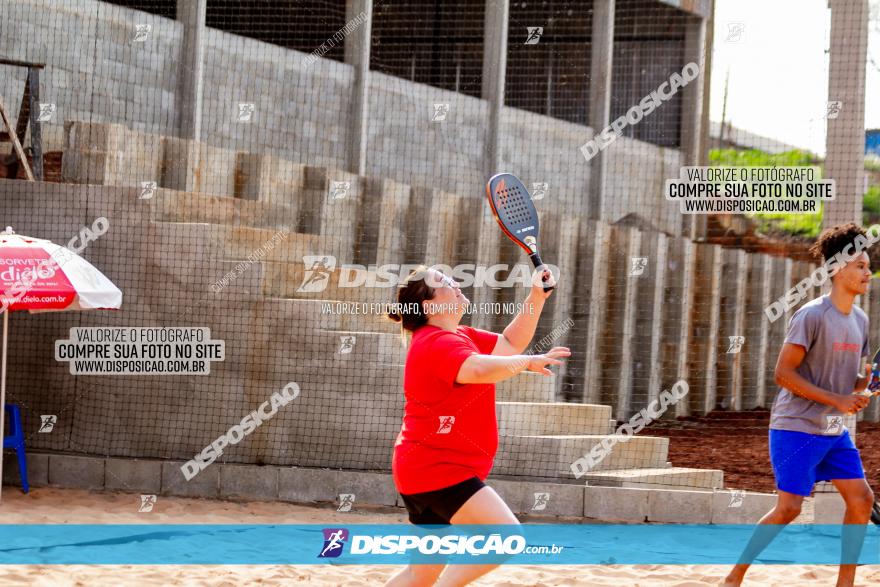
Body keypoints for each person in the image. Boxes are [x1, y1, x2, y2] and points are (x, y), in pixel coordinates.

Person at [385, 265, 569, 587]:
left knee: (420, 574)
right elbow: (478, 368)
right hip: (438, 470)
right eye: (442, 281)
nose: (454, 283)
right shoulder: (435, 343)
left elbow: (511, 342)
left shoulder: (459, 335)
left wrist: (536, 297)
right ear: (429, 306)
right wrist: (526, 362)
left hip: (423, 468)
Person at [723, 223, 875, 587]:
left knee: (862, 500)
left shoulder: (862, 320)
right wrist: (838, 399)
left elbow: (856, 380)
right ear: (836, 269)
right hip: (796, 427)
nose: (867, 272)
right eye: (859, 265)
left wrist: (865, 385)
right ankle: (735, 576)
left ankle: (845, 583)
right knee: (789, 508)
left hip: (833, 431)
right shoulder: (812, 315)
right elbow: (783, 374)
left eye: (869, 265)